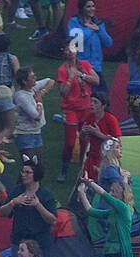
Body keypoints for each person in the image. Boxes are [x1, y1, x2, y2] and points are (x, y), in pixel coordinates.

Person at [55, 40, 99, 183]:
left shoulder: (85, 65)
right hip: (71, 110)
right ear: (64, 52)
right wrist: (70, 78)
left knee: (85, 140)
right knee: (69, 143)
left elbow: (96, 80)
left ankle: (83, 170)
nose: (70, 52)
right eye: (67, 49)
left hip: (86, 109)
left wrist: (81, 75)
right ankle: (64, 169)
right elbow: (63, 93)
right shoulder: (62, 69)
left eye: (72, 48)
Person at [76, 174, 133, 257]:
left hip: (119, 252)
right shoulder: (113, 212)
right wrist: (81, 192)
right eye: (110, 190)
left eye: (113, 191)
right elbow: (90, 210)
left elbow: (104, 194)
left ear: (120, 195)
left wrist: (90, 182)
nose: (110, 193)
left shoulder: (124, 208)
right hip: (108, 250)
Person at [1, 158, 58, 251]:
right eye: (22, 172)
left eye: (27, 172)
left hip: (41, 243)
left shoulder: (46, 194)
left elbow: (52, 220)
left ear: (36, 174)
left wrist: (38, 205)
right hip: (19, 241)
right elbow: (2, 213)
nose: (23, 175)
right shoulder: (17, 191)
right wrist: (13, 202)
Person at [11, 67, 52, 167]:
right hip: (25, 135)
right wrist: (39, 101)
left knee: (38, 166)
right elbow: (37, 116)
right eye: (32, 77)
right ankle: (21, 183)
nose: (35, 78)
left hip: (36, 132)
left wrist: (42, 92)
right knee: (30, 166)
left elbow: (50, 81)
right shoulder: (21, 97)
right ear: (25, 81)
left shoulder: (33, 88)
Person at [78, 94, 120, 181]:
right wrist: (83, 132)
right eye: (91, 101)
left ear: (103, 106)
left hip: (106, 159)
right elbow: (83, 138)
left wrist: (98, 134)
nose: (92, 104)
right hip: (92, 156)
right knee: (85, 181)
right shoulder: (90, 117)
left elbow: (118, 142)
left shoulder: (111, 119)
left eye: (95, 102)